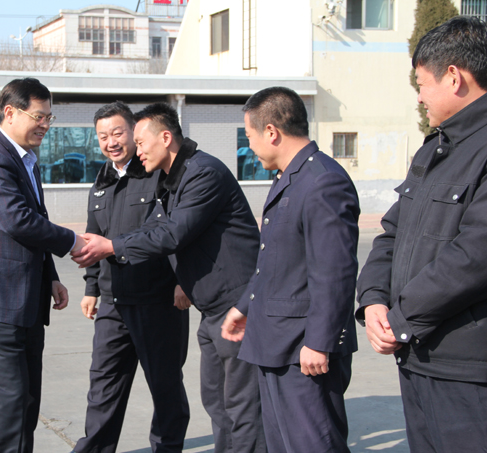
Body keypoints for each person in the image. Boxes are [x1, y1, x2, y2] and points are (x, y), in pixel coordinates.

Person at [72, 103, 265, 453]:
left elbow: (172, 233)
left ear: (162, 137)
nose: (127, 146)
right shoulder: (116, 181)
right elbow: (150, 228)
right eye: (103, 136)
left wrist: (114, 247)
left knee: (234, 404)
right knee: (217, 400)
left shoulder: (193, 174)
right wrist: (94, 281)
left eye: (131, 138)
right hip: (166, 304)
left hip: (216, 302)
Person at [356, 16, 487, 452]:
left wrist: (401, 318)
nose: (419, 96)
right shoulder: (437, 148)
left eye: (421, 84)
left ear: (454, 77)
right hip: (417, 356)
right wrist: (374, 300)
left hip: (467, 369)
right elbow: (392, 232)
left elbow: (475, 256)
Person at [221, 87, 360, 453]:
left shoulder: (322, 181)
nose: (249, 145)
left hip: (304, 351)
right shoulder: (290, 177)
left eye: (249, 135)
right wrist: (245, 306)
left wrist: (320, 341)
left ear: (271, 132)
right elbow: (277, 260)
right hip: (276, 342)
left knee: (314, 444)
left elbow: (335, 271)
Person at [0, 77, 85, 453]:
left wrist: (51, 277)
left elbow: (34, 221)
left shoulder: (27, 160)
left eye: (49, 117)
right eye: (38, 116)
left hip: (25, 300)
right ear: (10, 113)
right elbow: (17, 221)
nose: (45, 125)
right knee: (7, 403)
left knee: (26, 402)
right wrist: (74, 241)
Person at [72, 101, 190, 453]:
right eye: (102, 136)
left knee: (164, 385)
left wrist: (183, 280)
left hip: (159, 301)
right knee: (103, 384)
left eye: (118, 133)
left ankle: (166, 448)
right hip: (113, 302)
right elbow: (94, 236)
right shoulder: (101, 181)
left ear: (134, 132)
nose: (111, 142)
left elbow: (179, 232)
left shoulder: (157, 173)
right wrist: (92, 287)